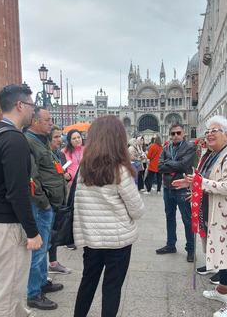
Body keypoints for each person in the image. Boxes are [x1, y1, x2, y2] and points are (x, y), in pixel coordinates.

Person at [0, 84, 42, 317]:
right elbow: (18, 191)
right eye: (32, 105)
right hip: (5, 227)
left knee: (8, 287)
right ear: (20, 105)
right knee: (7, 293)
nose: (34, 111)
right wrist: (32, 232)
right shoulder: (14, 139)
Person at [173, 115, 227, 317]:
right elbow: (208, 180)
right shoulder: (213, 154)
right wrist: (194, 188)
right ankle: (223, 290)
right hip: (215, 213)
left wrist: (199, 183)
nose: (209, 134)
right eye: (208, 131)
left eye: (214, 131)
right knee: (222, 254)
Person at [73, 115, 144, 317]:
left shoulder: (84, 168)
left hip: (91, 239)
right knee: (112, 288)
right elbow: (137, 210)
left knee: (87, 282)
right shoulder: (120, 169)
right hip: (118, 242)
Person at [26, 107, 66, 311]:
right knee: (38, 250)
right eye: (48, 120)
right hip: (40, 205)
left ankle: (41, 282)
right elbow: (31, 177)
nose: (51, 123)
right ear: (35, 122)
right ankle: (33, 293)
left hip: (47, 205)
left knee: (44, 245)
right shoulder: (30, 142)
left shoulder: (41, 141)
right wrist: (44, 202)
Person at [156, 122, 196, 262]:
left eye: (178, 133)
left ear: (184, 133)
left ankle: (190, 249)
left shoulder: (190, 147)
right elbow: (159, 167)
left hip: (182, 188)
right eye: (173, 133)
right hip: (168, 188)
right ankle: (170, 245)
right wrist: (175, 165)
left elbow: (184, 165)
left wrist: (169, 163)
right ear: (170, 135)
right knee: (170, 217)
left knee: (187, 219)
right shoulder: (166, 147)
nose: (176, 135)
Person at [47, 125, 72, 275]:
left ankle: (53, 262)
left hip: (60, 198)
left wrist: (66, 176)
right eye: (56, 137)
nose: (60, 139)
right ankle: (45, 267)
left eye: (60, 136)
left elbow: (64, 173)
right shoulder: (46, 154)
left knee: (54, 233)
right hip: (48, 200)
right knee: (46, 234)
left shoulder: (60, 154)